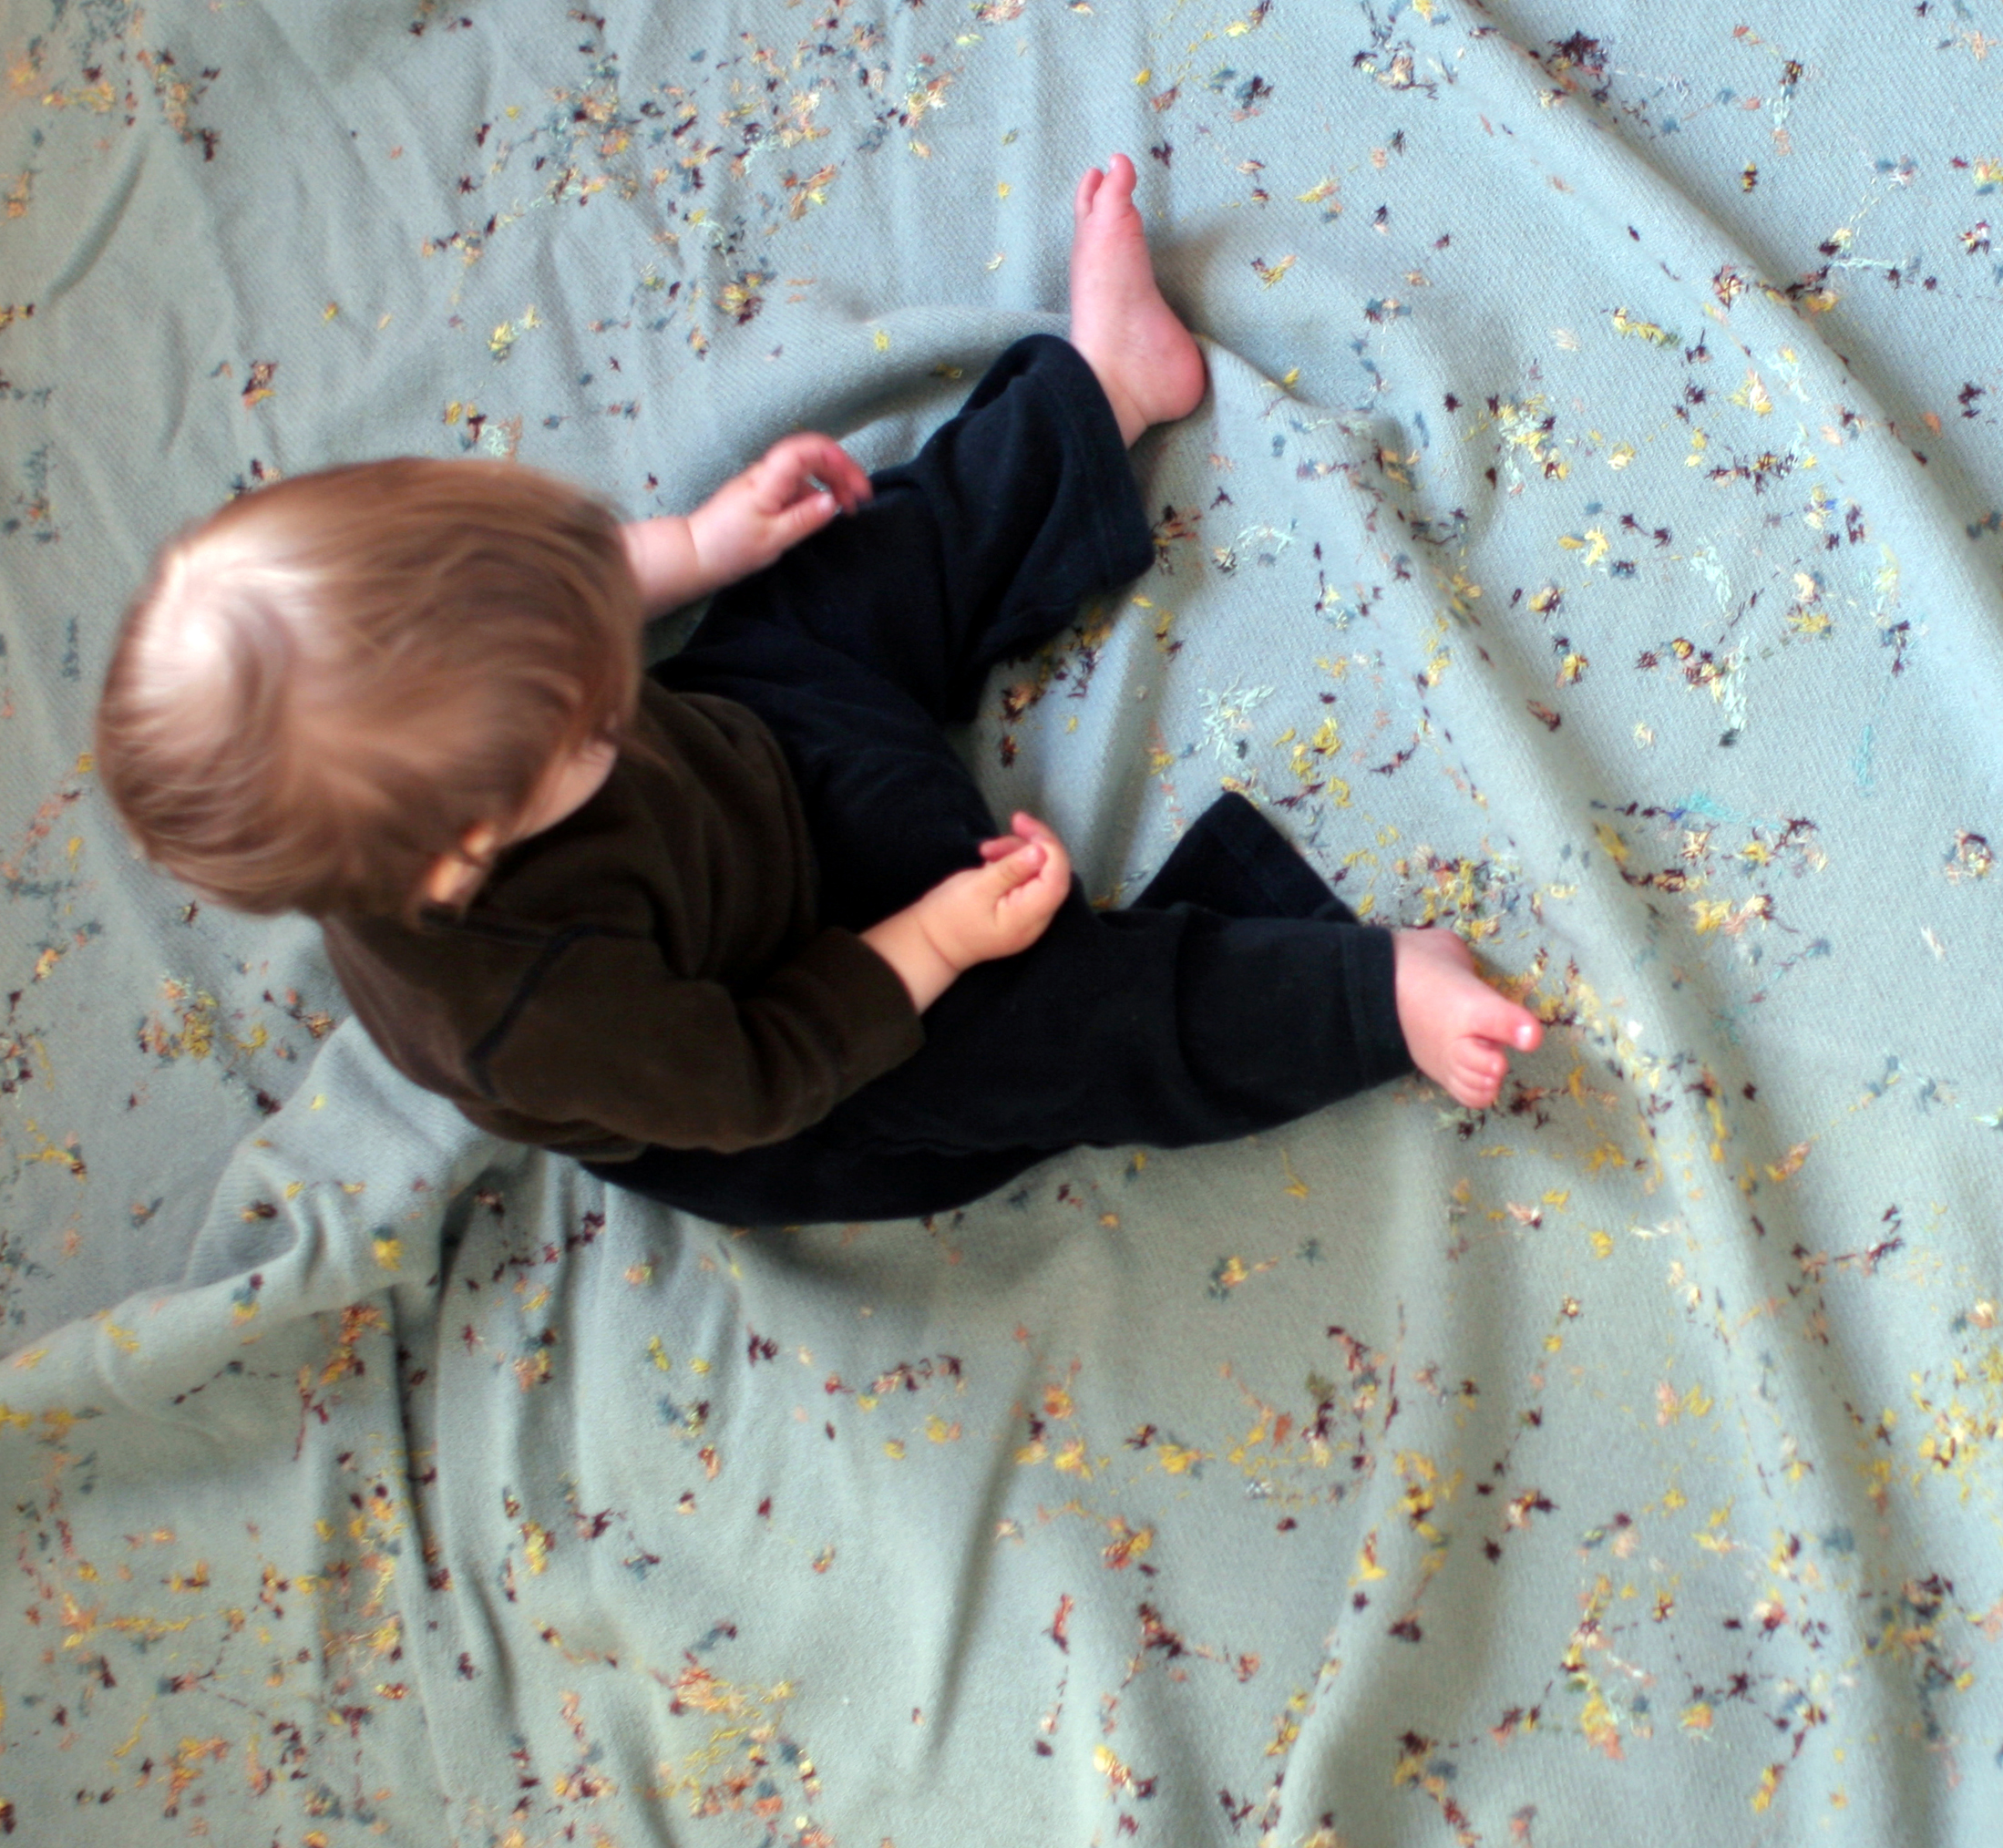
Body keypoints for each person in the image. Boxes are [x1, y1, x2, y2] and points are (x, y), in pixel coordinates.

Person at [95, 153, 1541, 1225]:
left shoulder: (489, 672)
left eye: (573, 609)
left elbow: (564, 593)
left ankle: (1104, 385)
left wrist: (693, 548)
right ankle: (1367, 999)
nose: (605, 664)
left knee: (854, 562)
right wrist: (934, 939)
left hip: (763, 744)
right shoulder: (527, 1008)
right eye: (582, 710)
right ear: (462, 849)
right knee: (1046, 1037)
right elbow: (754, 1073)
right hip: (809, 1004)